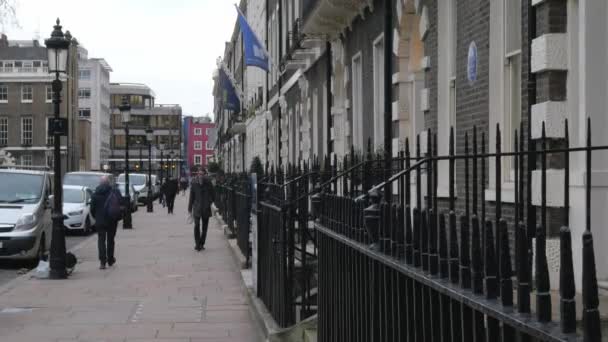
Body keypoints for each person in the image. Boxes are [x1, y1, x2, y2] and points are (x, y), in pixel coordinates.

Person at [90, 176, 119, 270]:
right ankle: (110, 259)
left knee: (101, 241)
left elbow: (92, 209)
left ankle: (102, 262)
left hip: (100, 221)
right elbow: (120, 204)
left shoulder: (95, 194)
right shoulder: (114, 191)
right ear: (108, 183)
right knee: (111, 240)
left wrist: (97, 217)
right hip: (112, 220)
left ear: (100, 183)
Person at [188, 168, 215, 251]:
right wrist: (189, 208)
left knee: (204, 228)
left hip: (206, 208)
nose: (200, 176)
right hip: (197, 208)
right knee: (196, 226)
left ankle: (202, 243)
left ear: (204, 175)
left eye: (202, 174)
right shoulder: (194, 183)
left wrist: (209, 201)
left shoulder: (208, 183)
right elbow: (191, 196)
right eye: (199, 174)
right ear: (197, 174)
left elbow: (213, 194)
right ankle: (197, 244)